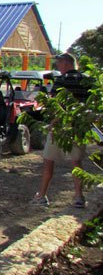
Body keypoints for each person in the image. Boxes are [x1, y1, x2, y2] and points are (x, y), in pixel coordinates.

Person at [30, 52, 88, 208]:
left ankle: (42, 196)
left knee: (48, 161)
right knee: (76, 162)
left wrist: (53, 123)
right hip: (78, 126)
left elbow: (56, 106)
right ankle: (78, 197)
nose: (58, 67)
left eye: (59, 64)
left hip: (60, 127)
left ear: (67, 64)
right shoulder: (87, 80)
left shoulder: (61, 81)